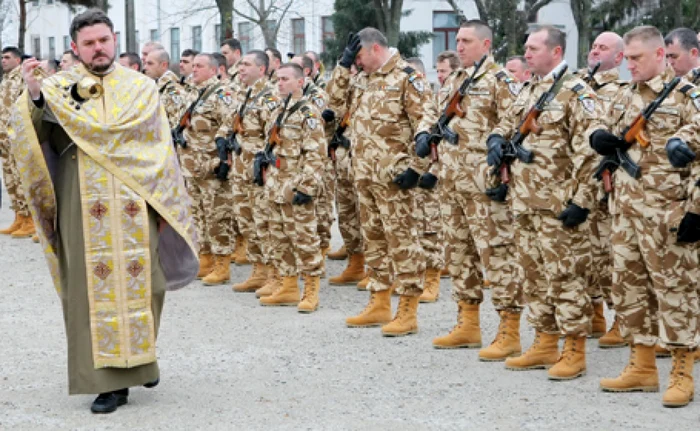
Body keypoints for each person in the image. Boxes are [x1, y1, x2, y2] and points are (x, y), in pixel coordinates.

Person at [11, 9, 198, 413]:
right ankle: (111, 384)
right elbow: (31, 136)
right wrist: (34, 94)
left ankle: (142, 359)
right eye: (89, 43)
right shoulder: (57, 87)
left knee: (147, 285)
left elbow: (159, 150)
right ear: (76, 48)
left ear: (114, 39)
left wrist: (165, 203)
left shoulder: (141, 88)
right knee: (90, 289)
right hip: (82, 200)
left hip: (135, 202)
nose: (98, 48)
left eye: (103, 40)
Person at [489, 25, 602, 380]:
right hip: (525, 203)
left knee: (566, 277)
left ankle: (574, 348)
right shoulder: (529, 89)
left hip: (558, 206)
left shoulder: (575, 92)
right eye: (526, 48)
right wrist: (495, 138)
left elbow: (589, 154)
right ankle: (544, 341)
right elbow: (505, 123)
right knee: (533, 276)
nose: (526, 54)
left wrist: (582, 201)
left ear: (555, 52)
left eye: (534, 48)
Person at [595, 25, 700, 408]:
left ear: (660, 55)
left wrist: (696, 210)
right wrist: (600, 138)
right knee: (628, 290)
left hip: (668, 214)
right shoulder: (623, 95)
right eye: (628, 58)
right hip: (625, 212)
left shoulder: (690, 97)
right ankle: (641, 366)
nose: (630, 65)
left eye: (637, 58)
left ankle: (682, 370)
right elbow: (601, 127)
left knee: (675, 293)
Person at [328, 28, 437, 336]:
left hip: (395, 178)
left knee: (402, 241)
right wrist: (343, 65)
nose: (357, 63)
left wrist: (417, 168)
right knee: (374, 239)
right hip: (364, 174)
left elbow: (426, 122)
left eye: (359, 55)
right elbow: (332, 106)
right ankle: (379, 301)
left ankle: (408, 309)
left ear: (375, 49)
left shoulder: (407, 77)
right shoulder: (361, 78)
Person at [429, 20, 524, 360]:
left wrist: (499, 138)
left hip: (483, 184)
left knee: (497, 255)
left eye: (467, 41)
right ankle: (468, 324)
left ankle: (509, 330)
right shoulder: (455, 80)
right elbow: (433, 115)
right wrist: (425, 134)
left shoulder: (500, 81)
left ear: (486, 45)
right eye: (458, 40)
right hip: (452, 181)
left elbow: (515, 118)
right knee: (458, 253)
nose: (460, 46)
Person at [259, 62, 326, 312]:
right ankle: (288, 286)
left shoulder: (308, 113)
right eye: (278, 79)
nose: (280, 83)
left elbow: (316, 153)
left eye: (286, 79)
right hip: (277, 182)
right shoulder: (279, 109)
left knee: (304, 238)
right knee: (279, 236)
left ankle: (311, 288)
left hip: (296, 183)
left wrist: (306, 186)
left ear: (300, 82)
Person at [577, 31, 629, 348]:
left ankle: (622, 317)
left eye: (603, 47)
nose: (595, 51)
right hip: (576, 187)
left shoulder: (622, 92)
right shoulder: (578, 87)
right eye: (593, 45)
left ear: (619, 57)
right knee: (583, 257)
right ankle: (594, 312)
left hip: (604, 186)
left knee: (610, 257)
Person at [178, 53, 235, 285]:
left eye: (199, 66)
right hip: (192, 165)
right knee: (198, 214)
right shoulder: (193, 91)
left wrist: (223, 157)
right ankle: (206, 257)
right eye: (193, 66)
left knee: (217, 215)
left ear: (213, 70)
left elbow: (230, 122)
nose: (194, 70)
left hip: (210, 164)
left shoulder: (222, 94)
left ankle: (223, 263)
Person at [224, 50, 278, 295]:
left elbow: (274, 138)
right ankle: (258, 270)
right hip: (241, 168)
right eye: (240, 64)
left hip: (258, 171)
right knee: (247, 221)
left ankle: (274, 274)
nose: (240, 68)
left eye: (246, 64)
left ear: (262, 69)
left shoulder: (270, 97)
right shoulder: (245, 95)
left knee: (264, 222)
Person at [404, 56, 444, 303]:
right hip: (410, 171)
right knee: (412, 228)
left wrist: (435, 172)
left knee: (430, 228)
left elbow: (446, 142)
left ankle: (433, 279)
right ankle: (416, 276)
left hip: (429, 173)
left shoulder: (433, 103)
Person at [325, 64, 366, 285]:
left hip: (364, 160)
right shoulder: (347, 87)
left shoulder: (375, 83)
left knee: (367, 217)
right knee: (347, 213)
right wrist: (342, 70)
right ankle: (356, 263)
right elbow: (332, 101)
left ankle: (377, 270)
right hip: (344, 157)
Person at [0, 46, 35, 238]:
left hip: (17, 137)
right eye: (2, 57)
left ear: (18, 60)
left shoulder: (21, 77)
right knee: (10, 179)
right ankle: (19, 217)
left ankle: (30, 220)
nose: (3, 60)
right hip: (4, 137)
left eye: (7, 57)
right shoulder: (6, 79)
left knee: (22, 179)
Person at [143, 48, 185, 129]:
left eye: (150, 64)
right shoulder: (159, 86)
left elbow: (178, 121)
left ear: (164, 65)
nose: (145, 67)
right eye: (145, 63)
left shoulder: (173, 89)